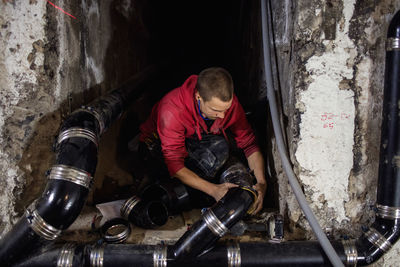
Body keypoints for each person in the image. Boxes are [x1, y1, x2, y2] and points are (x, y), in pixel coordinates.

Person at [139, 67, 266, 214]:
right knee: (195, 182)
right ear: (198, 96)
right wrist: (213, 190)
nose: (223, 116)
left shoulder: (227, 105)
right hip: (156, 147)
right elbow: (175, 165)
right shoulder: (172, 111)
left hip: (194, 139)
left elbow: (249, 144)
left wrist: (262, 183)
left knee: (221, 150)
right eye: (215, 110)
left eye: (226, 109)